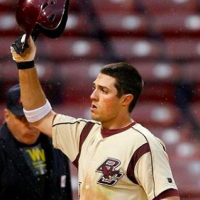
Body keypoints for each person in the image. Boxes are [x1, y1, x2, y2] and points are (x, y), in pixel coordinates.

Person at [10, 35, 180, 200]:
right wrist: (25, 64)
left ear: (126, 100)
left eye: (104, 91)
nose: (93, 96)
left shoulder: (143, 144)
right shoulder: (84, 133)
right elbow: (37, 116)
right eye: (94, 88)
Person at [0, 84, 73, 200]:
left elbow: (65, 192)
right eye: (22, 118)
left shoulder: (57, 143)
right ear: (7, 116)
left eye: (34, 118)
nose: (30, 125)